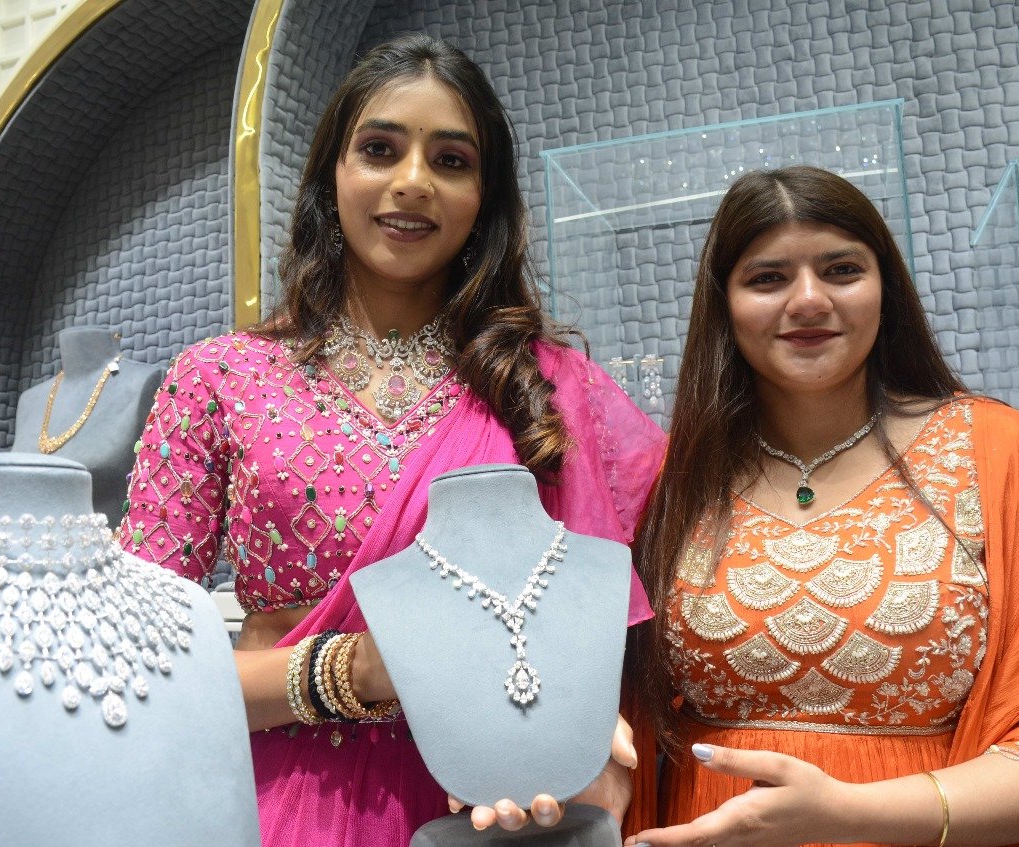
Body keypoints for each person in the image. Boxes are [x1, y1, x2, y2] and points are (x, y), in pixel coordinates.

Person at [118, 34, 665, 846]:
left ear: (484, 196)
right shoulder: (220, 378)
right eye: (379, 149)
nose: (412, 181)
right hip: (284, 794)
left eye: (451, 160)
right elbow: (132, 664)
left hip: (499, 801)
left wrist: (592, 761)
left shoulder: (544, 388)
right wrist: (357, 669)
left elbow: (606, 636)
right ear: (330, 176)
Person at [623, 165, 1019, 847]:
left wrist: (849, 813)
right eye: (767, 278)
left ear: (885, 287)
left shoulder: (995, 450)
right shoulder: (673, 475)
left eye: (841, 270)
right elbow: (615, 707)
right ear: (723, 305)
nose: (808, 300)